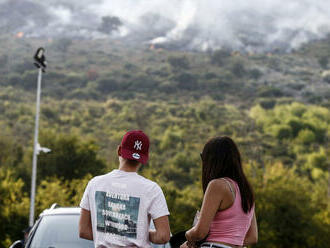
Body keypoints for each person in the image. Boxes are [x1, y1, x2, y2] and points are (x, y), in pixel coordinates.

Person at [79, 130, 171, 248]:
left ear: (119, 150)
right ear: (144, 159)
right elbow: (163, 236)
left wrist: (113, 234)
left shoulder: (95, 183)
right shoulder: (152, 189)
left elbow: (83, 230)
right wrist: (140, 234)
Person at [180, 136, 258, 248]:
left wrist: (188, 235)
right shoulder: (246, 189)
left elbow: (200, 232)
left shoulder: (217, 185)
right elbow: (252, 237)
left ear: (212, 160)